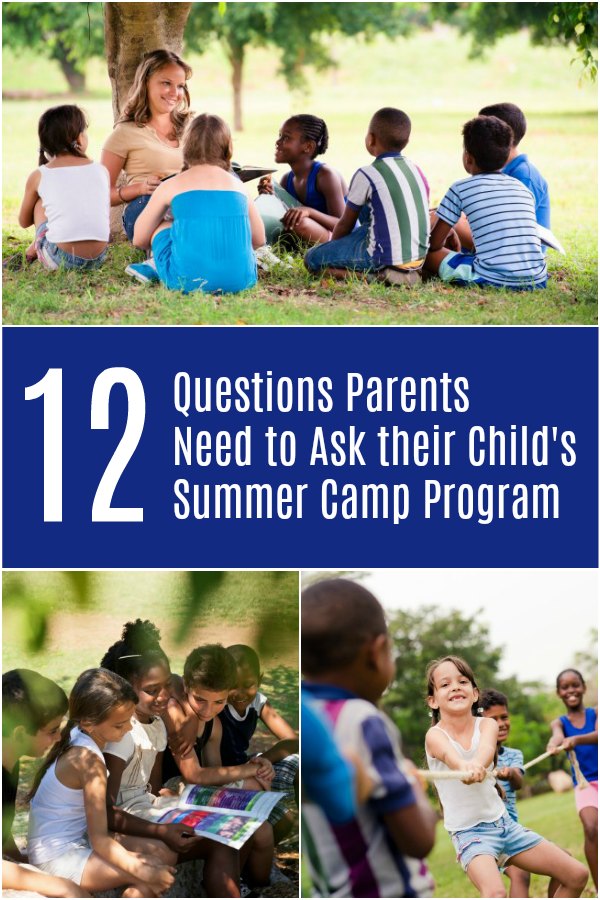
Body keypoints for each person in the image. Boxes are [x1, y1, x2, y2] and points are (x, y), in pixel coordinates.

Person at [302, 578, 436, 898]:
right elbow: (418, 841)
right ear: (376, 652)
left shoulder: (304, 718)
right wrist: (416, 790)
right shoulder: (364, 720)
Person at [100, 619, 243, 898]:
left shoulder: (155, 725)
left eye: (166, 686)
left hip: (146, 812)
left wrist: (167, 799)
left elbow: (148, 791)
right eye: (153, 690)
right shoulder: (121, 733)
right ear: (126, 686)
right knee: (164, 853)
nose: (164, 696)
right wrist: (160, 831)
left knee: (223, 838)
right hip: (119, 823)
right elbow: (105, 811)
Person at [425, 655, 588, 898]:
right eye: (445, 684)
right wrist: (464, 766)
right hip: (470, 835)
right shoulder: (434, 736)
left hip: (505, 825)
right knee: (496, 893)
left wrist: (477, 765)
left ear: (475, 693)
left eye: (462, 681)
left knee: (577, 875)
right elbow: (450, 756)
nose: (456, 687)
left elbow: (487, 751)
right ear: (433, 700)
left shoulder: (487, 726)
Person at [27, 668, 176, 897]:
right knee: (151, 870)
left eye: (129, 720)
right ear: (89, 722)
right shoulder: (89, 763)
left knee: (162, 854)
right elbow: (100, 841)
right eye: (120, 725)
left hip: (65, 845)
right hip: (56, 859)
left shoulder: (78, 733)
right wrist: (145, 872)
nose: (128, 729)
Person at [162, 644, 274, 888]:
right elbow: (193, 774)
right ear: (187, 687)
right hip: (170, 788)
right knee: (250, 793)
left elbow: (217, 773)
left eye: (219, 702)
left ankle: (243, 884)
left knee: (258, 827)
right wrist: (249, 770)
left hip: (194, 791)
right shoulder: (175, 712)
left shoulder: (215, 725)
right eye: (200, 699)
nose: (208, 709)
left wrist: (256, 767)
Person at [128, 114, 265, 293]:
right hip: (242, 280)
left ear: (186, 147)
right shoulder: (239, 186)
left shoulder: (171, 185)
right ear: (228, 147)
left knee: (164, 223)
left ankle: (155, 265)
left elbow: (139, 238)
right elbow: (259, 239)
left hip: (185, 281)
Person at [304, 107, 430, 284]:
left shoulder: (368, 174)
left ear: (371, 139)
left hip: (381, 259)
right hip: (417, 259)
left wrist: (335, 247)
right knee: (370, 203)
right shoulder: (416, 170)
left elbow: (345, 224)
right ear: (406, 140)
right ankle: (402, 273)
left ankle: (376, 277)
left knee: (312, 258)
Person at [424, 115, 548, 289]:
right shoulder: (522, 188)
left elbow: (435, 244)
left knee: (427, 255)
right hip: (537, 279)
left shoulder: (460, 188)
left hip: (490, 279)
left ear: (468, 158)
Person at [101, 49, 192, 241]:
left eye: (181, 86)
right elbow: (101, 193)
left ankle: (251, 248)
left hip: (187, 203)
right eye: (166, 83)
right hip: (146, 208)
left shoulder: (192, 128)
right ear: (146, 83)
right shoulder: (125, 133)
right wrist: (140, 188)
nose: (175, 93)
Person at [218, 644, 298, 842]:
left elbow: (292, 741)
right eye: (233, 685)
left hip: (248, 766)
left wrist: (261, 761)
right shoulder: (217, 704)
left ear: (260, 680)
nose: (240, 692)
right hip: (223, 774)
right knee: (283, 820)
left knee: (301, 764)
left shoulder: (258, 703)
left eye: (248, 684)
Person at [15, 105, 109, 271]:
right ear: (79, 139)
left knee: (39, 203)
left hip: (60, 259)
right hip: (99, 258)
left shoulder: (39, 175)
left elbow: (23, 222)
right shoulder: (101, 170)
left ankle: (30, 253)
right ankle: (32, 251)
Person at [2, 669, 68, 863]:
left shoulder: (10, 764)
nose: (57, 738)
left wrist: (24, 861)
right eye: (52, 730)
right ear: (20, 734)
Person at [257, 114, 347, 244]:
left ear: (308, 146)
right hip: (313, 235)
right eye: (280, 136)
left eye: (286, 137)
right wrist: (269, 196)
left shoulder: (325, 175)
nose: (278, 142)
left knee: (299, 223)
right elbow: (282, 216)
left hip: (343, 239)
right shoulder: (287, 179)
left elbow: (342, 224)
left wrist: (309, 212)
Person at [548, 668, 598, 891]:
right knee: (591, 828)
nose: (571, 690)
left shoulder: (596, 713)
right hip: (585, 784)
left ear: (584, 687)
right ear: (559, 693)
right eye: (565, 687)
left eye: (575, 685)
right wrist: (555, 744)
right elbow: (557, 735)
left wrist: (575, 740)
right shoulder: (559, 723)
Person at [480, 688, 530, 898]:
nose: (501, 724)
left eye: (504, 717)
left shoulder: (513, 755)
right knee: (521, 875)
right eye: (493, 719)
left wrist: (510, 774)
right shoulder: (476, 758)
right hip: (490, 833)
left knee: (567, 864)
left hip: (512, 830)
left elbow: (519, 782)